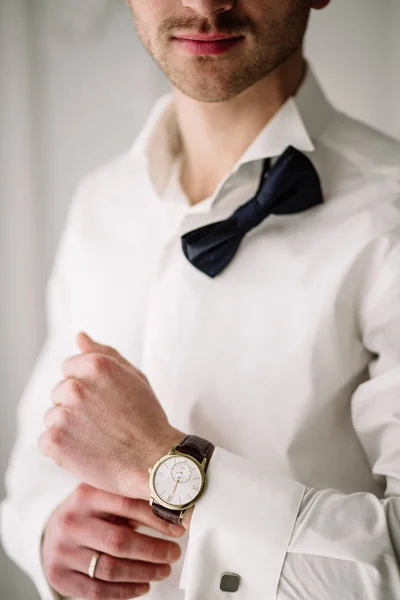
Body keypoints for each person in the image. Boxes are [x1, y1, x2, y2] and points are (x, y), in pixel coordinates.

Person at [2, 0, 400, 599]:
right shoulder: (98, 204)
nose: (204, 4)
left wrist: (166, 464)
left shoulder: (389, 216)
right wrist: (46, 533)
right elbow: (35, 464)